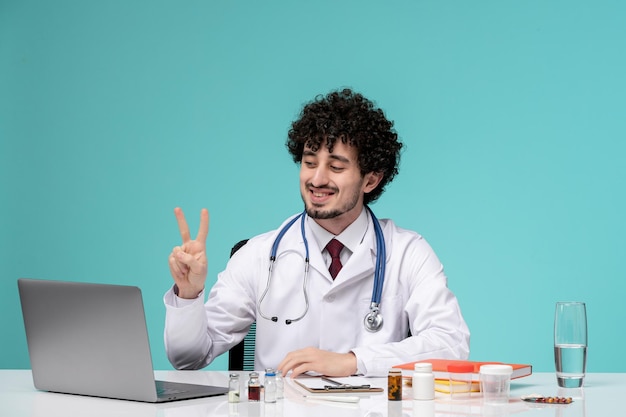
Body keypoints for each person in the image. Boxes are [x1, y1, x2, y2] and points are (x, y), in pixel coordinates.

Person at [164, 88, 470, 377]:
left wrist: (353, 361)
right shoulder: (258, 255)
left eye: (336, 168)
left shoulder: (407, 253)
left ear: (371, 180)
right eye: (309, 163)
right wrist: (188, 295)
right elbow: (187, 357)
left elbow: (451, 345)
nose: (317, 179)